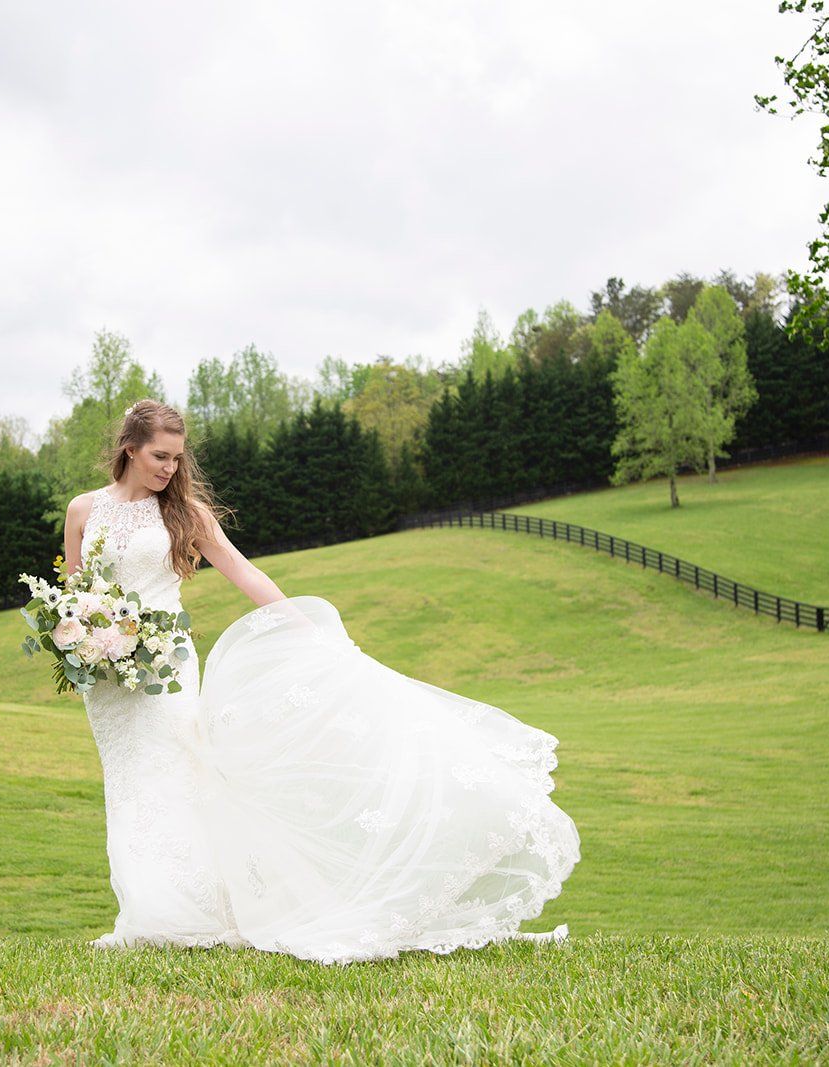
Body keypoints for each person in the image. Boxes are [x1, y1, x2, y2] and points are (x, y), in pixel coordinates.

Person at [63, 398, 579, 966]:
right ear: (129, 449)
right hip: (107, 677)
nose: (169, 468)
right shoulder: (83, 511)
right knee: (131, 781)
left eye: (177, 458)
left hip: (166, 663)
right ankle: (146, 911)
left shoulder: (184, 512)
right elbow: (76, 592)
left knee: (179, 771)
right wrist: (81, 639)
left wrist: (307, 629)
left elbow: (243, 570)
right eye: (160, 456)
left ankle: (193, 912)